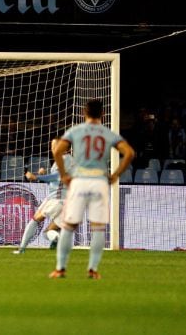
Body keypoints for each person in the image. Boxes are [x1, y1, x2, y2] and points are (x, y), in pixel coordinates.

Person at [50, 99, 135, 279]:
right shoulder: (107, 133)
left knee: (68, 225)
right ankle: (93, 269)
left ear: (84, 113)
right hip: (99, 181)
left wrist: (64, 174)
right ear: (102, 114)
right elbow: (129, 153)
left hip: (79, 180)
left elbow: (57, 151)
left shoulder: (76, 131)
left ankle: (60, 268)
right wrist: (115, 174)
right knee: (97, 228)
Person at [13, 137, 73, 254]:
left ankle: (22, 249)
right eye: (52, 146)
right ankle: (57, 242)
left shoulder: (63, 159)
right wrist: (45, 174)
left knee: (35, 220)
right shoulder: (70, 160)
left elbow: (57, 176)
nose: (52, 148)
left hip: (56, 199)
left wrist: (37, 177)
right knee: (47, 233)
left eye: (55, 146)